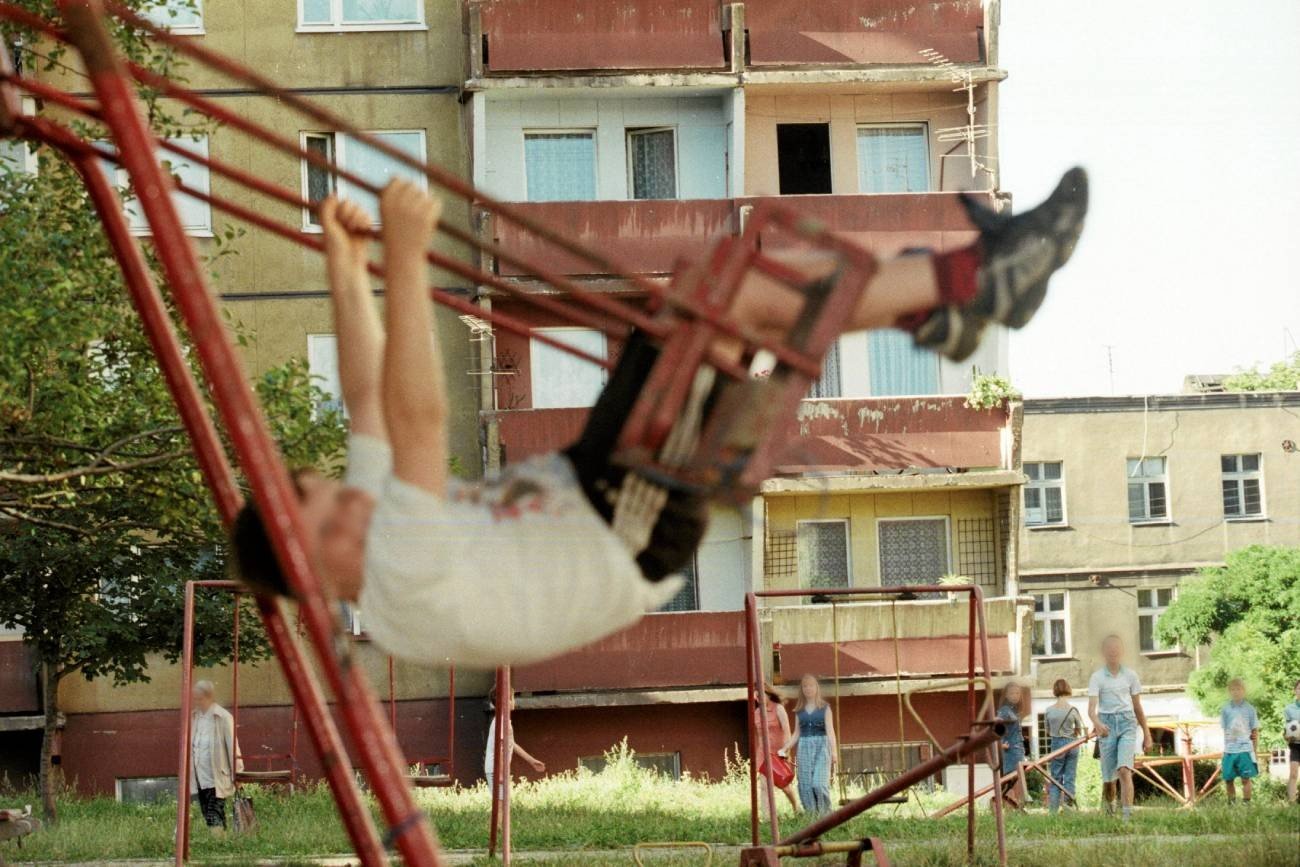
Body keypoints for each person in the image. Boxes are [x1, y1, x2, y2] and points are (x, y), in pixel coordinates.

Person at [229, 170, 1088, 669]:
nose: (355, 500)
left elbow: (370, 399)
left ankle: (954, 292)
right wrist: (407, 260)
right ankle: (965, 287)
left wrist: (346, 263)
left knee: (712, 293)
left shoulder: (371, 526)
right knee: (726, 310)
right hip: (623, 526)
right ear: (317, 579)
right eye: (333, 516)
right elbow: (419, 418)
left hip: (593, 476)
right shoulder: (396, 578)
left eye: (332, 490)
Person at [1087, 634, 1153, 821]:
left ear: (1122, 651)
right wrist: (1098, 725)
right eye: (1109, 648)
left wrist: (1147, 734)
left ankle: (1127, 818)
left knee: (1124, 769)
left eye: (1117, 647)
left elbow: (1137, 707)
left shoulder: (1131, 675)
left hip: (1127, 723)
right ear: (1104, 652)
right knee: (1109, 779)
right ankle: (1110, 813)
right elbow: (1091, 710)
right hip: (1106, 725)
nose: (1113, 651)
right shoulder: (1097, 677)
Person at [189, 680, 241, 833]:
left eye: (199, 698)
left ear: (209, 697)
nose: (197, 702)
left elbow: (233, 747)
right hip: (199, 777)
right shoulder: (194, 717)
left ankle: (218, 843)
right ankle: (223, 844)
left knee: (213, 813)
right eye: (195, 698)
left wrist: (238, 774)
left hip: (217, 776)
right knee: (208, 813)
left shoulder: (223, 717)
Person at [782, 674, 837, 815]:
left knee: (818, 784)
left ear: (816, 688)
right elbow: (796, 733)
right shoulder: (799, 710)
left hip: (822, 746)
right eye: (805, 686)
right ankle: (811, 815)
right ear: (802, 689)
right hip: (804, 747)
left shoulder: (825, 708)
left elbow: (830, 731)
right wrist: (785, 748)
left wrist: (834, 752)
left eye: (811, 685)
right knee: (805, 784)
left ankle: (825, 814)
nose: (808, 689)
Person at [484, 691, 545, 796]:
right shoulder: (501, 722)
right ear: (504, 702)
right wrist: (501, 774)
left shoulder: (504, 721)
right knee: (501, 807)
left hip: (497, 769)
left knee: (503, 806)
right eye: (512, 698)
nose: (514, 701)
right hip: (496, 770)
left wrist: (532, 761)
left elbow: (512, 744)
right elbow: (500, 748)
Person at [755, 682, 800, 815]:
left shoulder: (778, 709)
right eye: (756, 696)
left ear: (768, 694)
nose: (758, 698)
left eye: (760, 694)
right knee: (764, 786)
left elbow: (787, 731)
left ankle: (796, 807)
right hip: (763, 754)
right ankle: (767, 817)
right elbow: (757, 735)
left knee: (784, 786)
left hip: (778, 753)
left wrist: (786, 751)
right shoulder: (756, 713)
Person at [1043, 678, 1085, 814]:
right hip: (1072, 744)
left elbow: (1048, 731)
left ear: (1054, 691)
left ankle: (1053, 812)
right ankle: (1068, 810)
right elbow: (1079, 729)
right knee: (1070, 777)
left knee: (1055, 778)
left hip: (1057, 744)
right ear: (1068, 689)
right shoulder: (1073, 710)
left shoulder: (1049, 711)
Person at [1220, 678, 1260, 806]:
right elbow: (1225, 730)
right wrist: (1225, 748)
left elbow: (1255, 732)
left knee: (1245, 779)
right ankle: (1231, 804)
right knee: (1228, 779)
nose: (1235, 692)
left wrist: (1255, 751)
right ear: (1229, 691)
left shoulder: (1250, 709)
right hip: (1230, 750)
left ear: (1243, 691)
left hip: (1245, 749)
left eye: (1238, 689)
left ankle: (1246, 805)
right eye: (1233, 689)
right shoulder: (1225, 709)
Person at [995, 681, 1029, 807]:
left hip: (1018, 750)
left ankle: (1013, 805)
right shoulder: (1004, 711)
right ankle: (1007, 804)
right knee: (1013, 779)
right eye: (1012, 693)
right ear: (1006, 695)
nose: (1015, 695)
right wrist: (1001, 743)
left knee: (1016, 779)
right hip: (1011, 751)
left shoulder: (1014, 711)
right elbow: (995, 727)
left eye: (1017, 693)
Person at [1283, 678, 1300, 805]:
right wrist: (1287, 736)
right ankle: (1292, 803)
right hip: (1295, 746)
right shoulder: (1289, 709)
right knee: (1293, 774)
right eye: (1299, 688)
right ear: (1295, 691)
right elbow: (1287, 730)